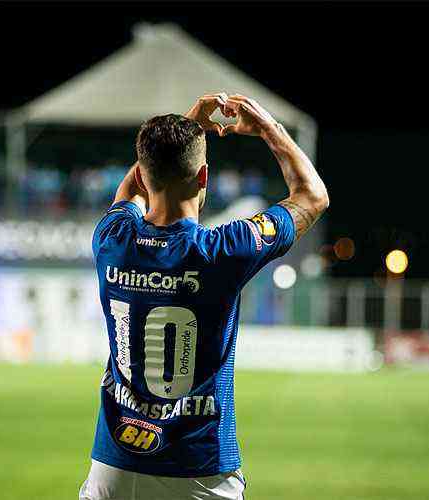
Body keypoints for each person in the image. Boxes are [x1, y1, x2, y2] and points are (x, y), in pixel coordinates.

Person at [81, 93, 329, 499]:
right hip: (199, 471)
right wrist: (270, 129)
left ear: (144, 176)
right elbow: (312, 196)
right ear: (203, 178)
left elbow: (128, 194)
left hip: (115, 468)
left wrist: (184, 123)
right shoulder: (223, 251)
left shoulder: (113, 239)